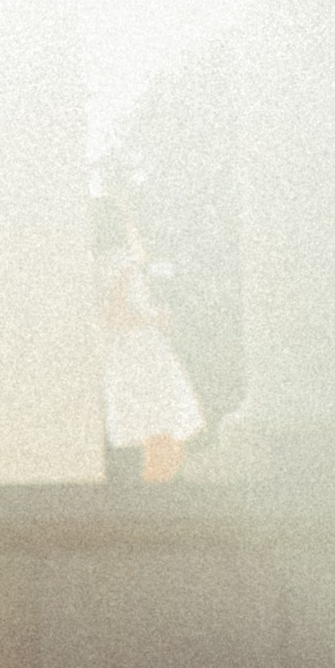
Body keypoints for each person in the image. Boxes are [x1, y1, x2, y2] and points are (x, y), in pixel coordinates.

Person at [95, 195, 203, 484]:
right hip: (141, 353)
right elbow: (115, 314)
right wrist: (156, 319)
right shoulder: (121, 262)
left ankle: (152, 488)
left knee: (154, 429)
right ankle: (157, 491)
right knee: (164, 425)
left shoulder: (99, 264)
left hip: (123, 353)